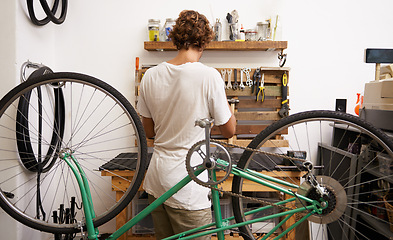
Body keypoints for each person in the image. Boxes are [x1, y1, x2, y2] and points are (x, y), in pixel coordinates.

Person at [137, 10, 236, 240]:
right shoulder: (209, 76)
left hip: (157, 181)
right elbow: (229, 130)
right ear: (204, 41)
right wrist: (225, 105)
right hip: (188, 186)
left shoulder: (150, 76)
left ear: (177, 38)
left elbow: (149, 132)